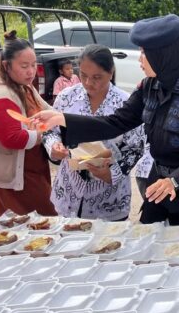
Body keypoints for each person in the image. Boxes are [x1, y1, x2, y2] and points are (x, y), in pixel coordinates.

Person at [31, 14, 179, 228]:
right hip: (161, 186)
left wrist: (175, 181)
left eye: (144, 53)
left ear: (161, 56)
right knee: (146, 244)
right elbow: (115, 123)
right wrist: (62, 119)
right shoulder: (149, 88)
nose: (139, 59)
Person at [42, 45, 145, 221]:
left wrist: (112, 173)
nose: (89, 83)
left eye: (97, 77)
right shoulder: (66, 97)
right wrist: (54, 146)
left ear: (111, 72)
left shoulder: (126, 104)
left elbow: (136, 147)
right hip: (68, 194)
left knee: (105, 246)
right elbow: (50, 131)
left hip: (109, 198)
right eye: (83, 75)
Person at [0, 34, 55, 216]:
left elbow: (48, 110)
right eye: (24, 66)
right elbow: (13, 139)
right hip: (11, 180)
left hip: (30, 171)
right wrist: (44, 133)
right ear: (6, 66)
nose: (31, 72)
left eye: (33, 65)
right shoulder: (1, 95)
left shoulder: (25, 86)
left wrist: (64, 119)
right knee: (22, 229)